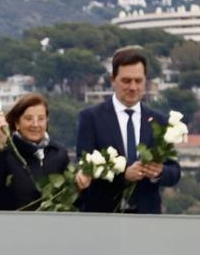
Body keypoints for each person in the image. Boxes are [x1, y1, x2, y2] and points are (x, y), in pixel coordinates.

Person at [75, 46, 179, 213]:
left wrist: (159, 172)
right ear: (113, 79)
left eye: (138, 81)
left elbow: (174, 172)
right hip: (103, 216)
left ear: (146, 81)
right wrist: (122, 175)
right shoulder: (91, 118)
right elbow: (84, 167)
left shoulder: (159, 121)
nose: (133, 87)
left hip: (146, 218)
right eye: (126, 81)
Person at [0, 93, 70, 211]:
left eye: (41, 119)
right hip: (11, 225)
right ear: (17, 123)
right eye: (29, 119)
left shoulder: (59, 153)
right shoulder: (5, 152)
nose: (35, 124)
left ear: (47, 121)